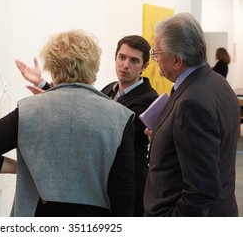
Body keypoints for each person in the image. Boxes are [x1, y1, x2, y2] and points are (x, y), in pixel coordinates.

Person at [0, 29, 136, 216]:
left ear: (52, 67)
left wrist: (23, 169)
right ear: (94, 66)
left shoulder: (29, 111)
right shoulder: (119, 117)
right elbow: (123, 195)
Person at [16, 35, 158, 216]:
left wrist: (47, 97)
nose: (125, 65)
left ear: (145, 66)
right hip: (102, 184)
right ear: (115, 58)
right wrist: (44, 86)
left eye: (134, 60)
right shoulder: (109, 89)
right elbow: (83, 109)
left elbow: (100, 118)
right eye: (122, 57)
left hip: (129, 188)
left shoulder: (148, 99)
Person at [144, 13, 240, 216]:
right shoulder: (217, 82)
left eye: (157, 53)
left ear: (177, 60)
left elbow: (202, 189)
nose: (155, 59)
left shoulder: (191, 103)